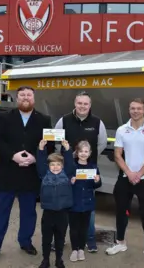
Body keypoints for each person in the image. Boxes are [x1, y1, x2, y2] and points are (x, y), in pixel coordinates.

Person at [0, 86, 55, 263]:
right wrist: (12, 155)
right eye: (22, 95)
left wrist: (35, 157)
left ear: (34, 99)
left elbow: (50, 145)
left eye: (29, 95)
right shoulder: (6, 117)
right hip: (8, 173)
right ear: (17, 98)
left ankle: (25, 242)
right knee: (1, 212)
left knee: (29, 212)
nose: (25, 97)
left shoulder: (44, 120)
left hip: (30, 175)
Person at [105, 98, 144, 262]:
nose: (135, 111)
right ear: (129, 110)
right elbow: (117, 154)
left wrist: (139, 173)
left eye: (138, 108)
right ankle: (120, 242)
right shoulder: (122, 130)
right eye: (132, 108)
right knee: (121, 211)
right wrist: (129, 173)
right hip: (124, 178)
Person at [53, 91, 107, 252]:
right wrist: (66, 160)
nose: (82, 106)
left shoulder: (98, 123)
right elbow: (57, 144)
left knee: (87, 208)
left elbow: (101, 144)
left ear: (90, 105)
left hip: (88, 171)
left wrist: (86, 158)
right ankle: (60, 240)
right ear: (74, 104)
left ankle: (90, 241)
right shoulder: (63, 121)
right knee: (62, 207)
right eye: (80, 103)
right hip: (67, 172)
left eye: (86, 104)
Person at [36, 139, 75, 268]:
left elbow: (70, 163)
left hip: (62, 213)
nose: (55, 167)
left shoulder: (67, 175)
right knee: (46, 239)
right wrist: (41, 149)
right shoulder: (44, 175)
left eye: (58, 164)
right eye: (52, 165)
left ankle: (59, 260)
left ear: (62, 166)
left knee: (60, 239)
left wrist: (67, 149)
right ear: (48, 166)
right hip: (48, 213)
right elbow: (40, 164)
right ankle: (45, 260)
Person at [68, 140, 102, 262]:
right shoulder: (72, 166)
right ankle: (74, 250)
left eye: (86, 151)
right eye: (81, 151)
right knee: (74, 228)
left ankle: (81, 249)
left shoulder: (93, 167)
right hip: (74, 203)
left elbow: (97, 185)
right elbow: (65, 181)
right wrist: (70, 181)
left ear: (90, 153)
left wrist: (97, 180)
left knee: (84, 227)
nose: (83, 153)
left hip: (87, 203)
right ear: (77, 153)